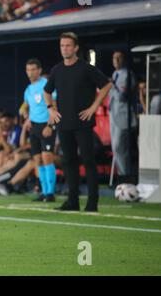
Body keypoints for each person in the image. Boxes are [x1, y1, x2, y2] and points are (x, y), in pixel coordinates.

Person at [44, 32, 112, 212]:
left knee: (89, 162)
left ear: (75, 48)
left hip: (83, 122)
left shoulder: (86, 68)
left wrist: (93, 107)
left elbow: (106, 85)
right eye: (62, 46)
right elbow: (47, 91)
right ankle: (72, 202)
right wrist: (50, 109)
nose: (64, 48)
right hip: (64, 123)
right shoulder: (56, 70)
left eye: (68, 45)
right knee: (69, 162)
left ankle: (92, 203)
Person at [21, 58, 57, 202]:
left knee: (47, 158)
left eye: (33, 69)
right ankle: (43, 192)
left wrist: (50, 125)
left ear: (39, 70)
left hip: (46, 125)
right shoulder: (28, 89)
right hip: (34, 127)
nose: (30, 73)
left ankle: (50, 193)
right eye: (28, 70)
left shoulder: (46, 85)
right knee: (37, 160)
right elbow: (25, 105)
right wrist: (26, 116)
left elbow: (54, 106)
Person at [109, 51, 137, 181]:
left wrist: (112, 85)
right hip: (113, 114)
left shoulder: (127, 74)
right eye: (115, 58)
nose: (116, 60)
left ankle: (125, 175)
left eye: (119, 58)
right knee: (115, 147)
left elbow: (121, 96)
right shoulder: (115, 74)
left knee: (120, 146)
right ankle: (122, 175)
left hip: (124, 116)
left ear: (124, 60)